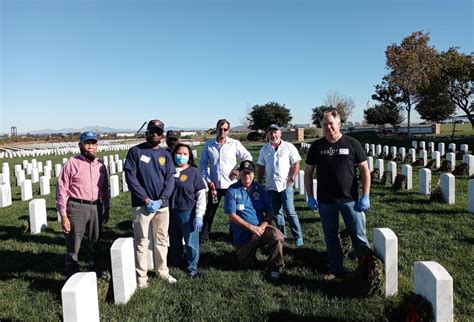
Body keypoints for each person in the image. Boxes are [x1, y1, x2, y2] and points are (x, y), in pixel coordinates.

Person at [304, 109, 371, 278]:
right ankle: (336, 269)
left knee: (358, 235)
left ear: (339, 124)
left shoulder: (352, 144)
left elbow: (364, 170)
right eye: (324, 124)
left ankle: (366, 269)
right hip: (326, 201)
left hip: (350, 199)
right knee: (331, 236)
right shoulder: (316, 147)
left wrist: (366, 195)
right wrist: (310, 197)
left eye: (331, 123)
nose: (328, 127)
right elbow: (308, 172)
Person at [124, 119, 177, 288]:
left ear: (162, 136)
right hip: (142, 205)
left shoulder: (166, 155)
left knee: (161, 239)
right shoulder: (135, 151)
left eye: (158, 132)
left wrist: (161, 200)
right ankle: (141, 277)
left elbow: (170, 180)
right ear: (146, 133)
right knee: (141, 241)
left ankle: (162, 271)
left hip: (162, 206)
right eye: (152, 131)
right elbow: (131, 178)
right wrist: (146, 199)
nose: (155, 134)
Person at [56, 131, 110, 278]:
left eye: (93, 144)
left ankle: (96, 271)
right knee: (74, 244)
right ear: (80, 145)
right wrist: (63, 215)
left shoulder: (101, 165)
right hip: (76, 207)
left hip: (96, 207)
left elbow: (105, 188)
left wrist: (107, 208)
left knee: (96, 241)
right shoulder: (71, 164)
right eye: (87, 143)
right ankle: (72, 274)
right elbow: (61, 190)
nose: (90, 147)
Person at [224, 160, 284, 280]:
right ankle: (242, 253)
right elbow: (231, 215)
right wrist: (252, 228)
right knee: (245, 264)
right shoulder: (232, 190)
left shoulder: (260, 189)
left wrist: (260, 229)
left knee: (277, 236)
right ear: (239, 173)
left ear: (254, 174)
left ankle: (275, 266)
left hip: (260, 230)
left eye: (250, 173)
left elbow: (270, 212)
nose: (247, 175)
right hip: (243, 235)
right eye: (244, 172)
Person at [199, 118, 252, 243]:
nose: (222, 131)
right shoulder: (209, 144)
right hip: (214, 185)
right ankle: (204, 236)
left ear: (229, 130)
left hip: (231, 185)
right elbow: (202, 163)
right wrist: (207, 180)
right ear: (216, 129)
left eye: (225, 129)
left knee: (234, 212)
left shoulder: (234, 144)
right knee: (209, 212)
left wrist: (239, 169)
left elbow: (247, 157)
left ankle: (234, 235)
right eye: (220, 129)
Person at [257, 124, 304, 247]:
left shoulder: (289, 147)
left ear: (280, 133)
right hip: (271, 186)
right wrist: (259, 182)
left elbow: (296, 163)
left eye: (275, 132)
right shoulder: (264, 149)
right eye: (270, 133)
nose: (273, 135)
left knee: (290, 211)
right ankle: (282, 235)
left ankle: (298, 236)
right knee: (277, 213)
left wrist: (292, 178)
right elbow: (261, 167)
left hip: (285, 185)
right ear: (267, 135)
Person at [168, 143, 207, 277]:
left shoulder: (194, 172)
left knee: (191, 242)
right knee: (174, 240)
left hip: (187, 212)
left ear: (189, 156)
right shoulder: (169, 170)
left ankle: (192, 267)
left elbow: (201, 195)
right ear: (174, 154)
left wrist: (199, 215)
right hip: (170, 211)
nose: (181, 156)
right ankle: (176, 262)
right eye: (179, 153)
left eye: (185, 154)